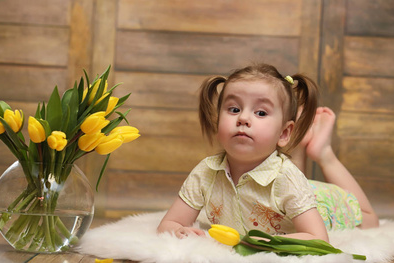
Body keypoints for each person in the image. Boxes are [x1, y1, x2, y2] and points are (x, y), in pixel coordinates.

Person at [157, 63, 378, 242]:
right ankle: (300, 145)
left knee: (370, 219)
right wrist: (177, 231)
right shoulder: (205, 172)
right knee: (288, 187)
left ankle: (323, 153)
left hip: (322, 203)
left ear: (283, 133)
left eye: (261, 112)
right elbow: (169, 223)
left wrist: (265, 242)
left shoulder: (287, 178)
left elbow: (318, 237)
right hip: (289, 197)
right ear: (217, 122)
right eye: (234, 109)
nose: (243, 118)